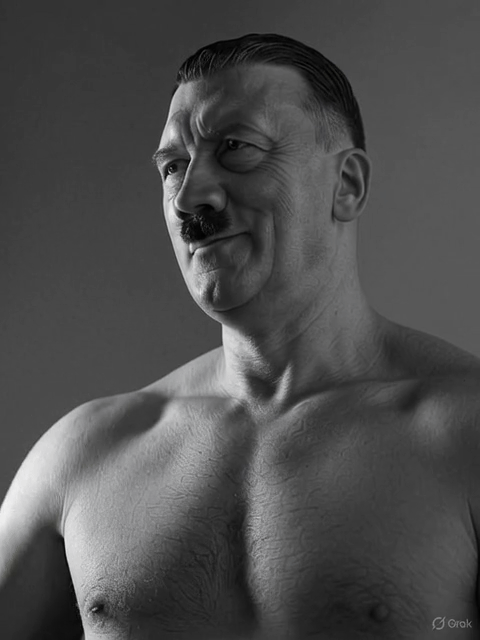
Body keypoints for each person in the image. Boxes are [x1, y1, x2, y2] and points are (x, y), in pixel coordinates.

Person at [1, 32, 479, 640]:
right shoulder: (84, 457)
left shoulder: (464, 438)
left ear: (347, 185)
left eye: (236, 148)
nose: (189, 198)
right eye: (173, 167)